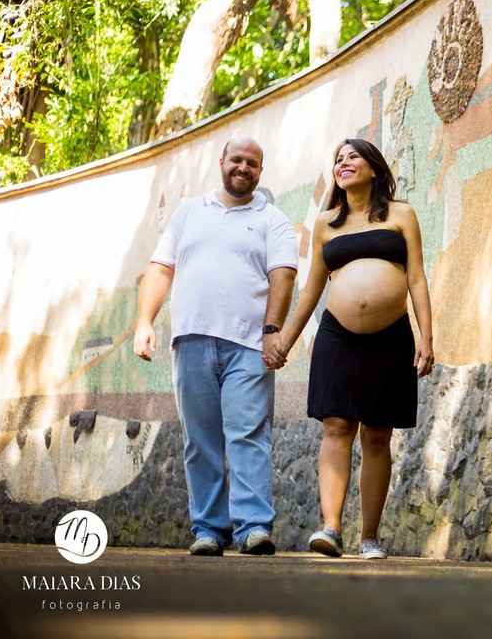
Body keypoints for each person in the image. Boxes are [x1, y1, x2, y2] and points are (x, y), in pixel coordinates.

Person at [133, 138, 297, 557]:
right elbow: (160, 269)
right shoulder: (189, 213)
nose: (243, 168)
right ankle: (208, 529)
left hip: (247, 345)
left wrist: (272, 330)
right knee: (200, 439)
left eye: (253, 163)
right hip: (190, 340)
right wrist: (144, 321)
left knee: (247, 435)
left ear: (261, 172)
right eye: (237, 160)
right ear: (221, 162)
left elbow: (283, 276)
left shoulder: (272, 219)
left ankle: (252, 528)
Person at [276, 137, 435, 560]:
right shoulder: (327, 223)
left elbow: (416, 278)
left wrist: (427, 337)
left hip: (391, 336)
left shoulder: (401, 214)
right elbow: (310, 290)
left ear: (374, 167)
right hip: (338, 337)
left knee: (378, 435)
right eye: (339, 159)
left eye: (353, 157)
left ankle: (368, 536)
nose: (344, 163)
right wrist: (285, 343)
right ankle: (330, 528)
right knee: (337, 427)